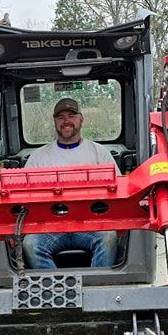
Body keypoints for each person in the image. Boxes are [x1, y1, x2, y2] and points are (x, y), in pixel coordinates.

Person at [22, 97, 119, 269]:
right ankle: (54, 289)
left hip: (91, 224)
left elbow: (118, 188)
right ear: (54, 122)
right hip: (49, 227)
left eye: (71, 115)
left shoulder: (99, 154)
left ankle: (98, 287)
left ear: (81, 119)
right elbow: (23, 197)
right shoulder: (38, 157)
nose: (66, 121)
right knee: (31, 244)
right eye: (61, 117)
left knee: (108, 237)